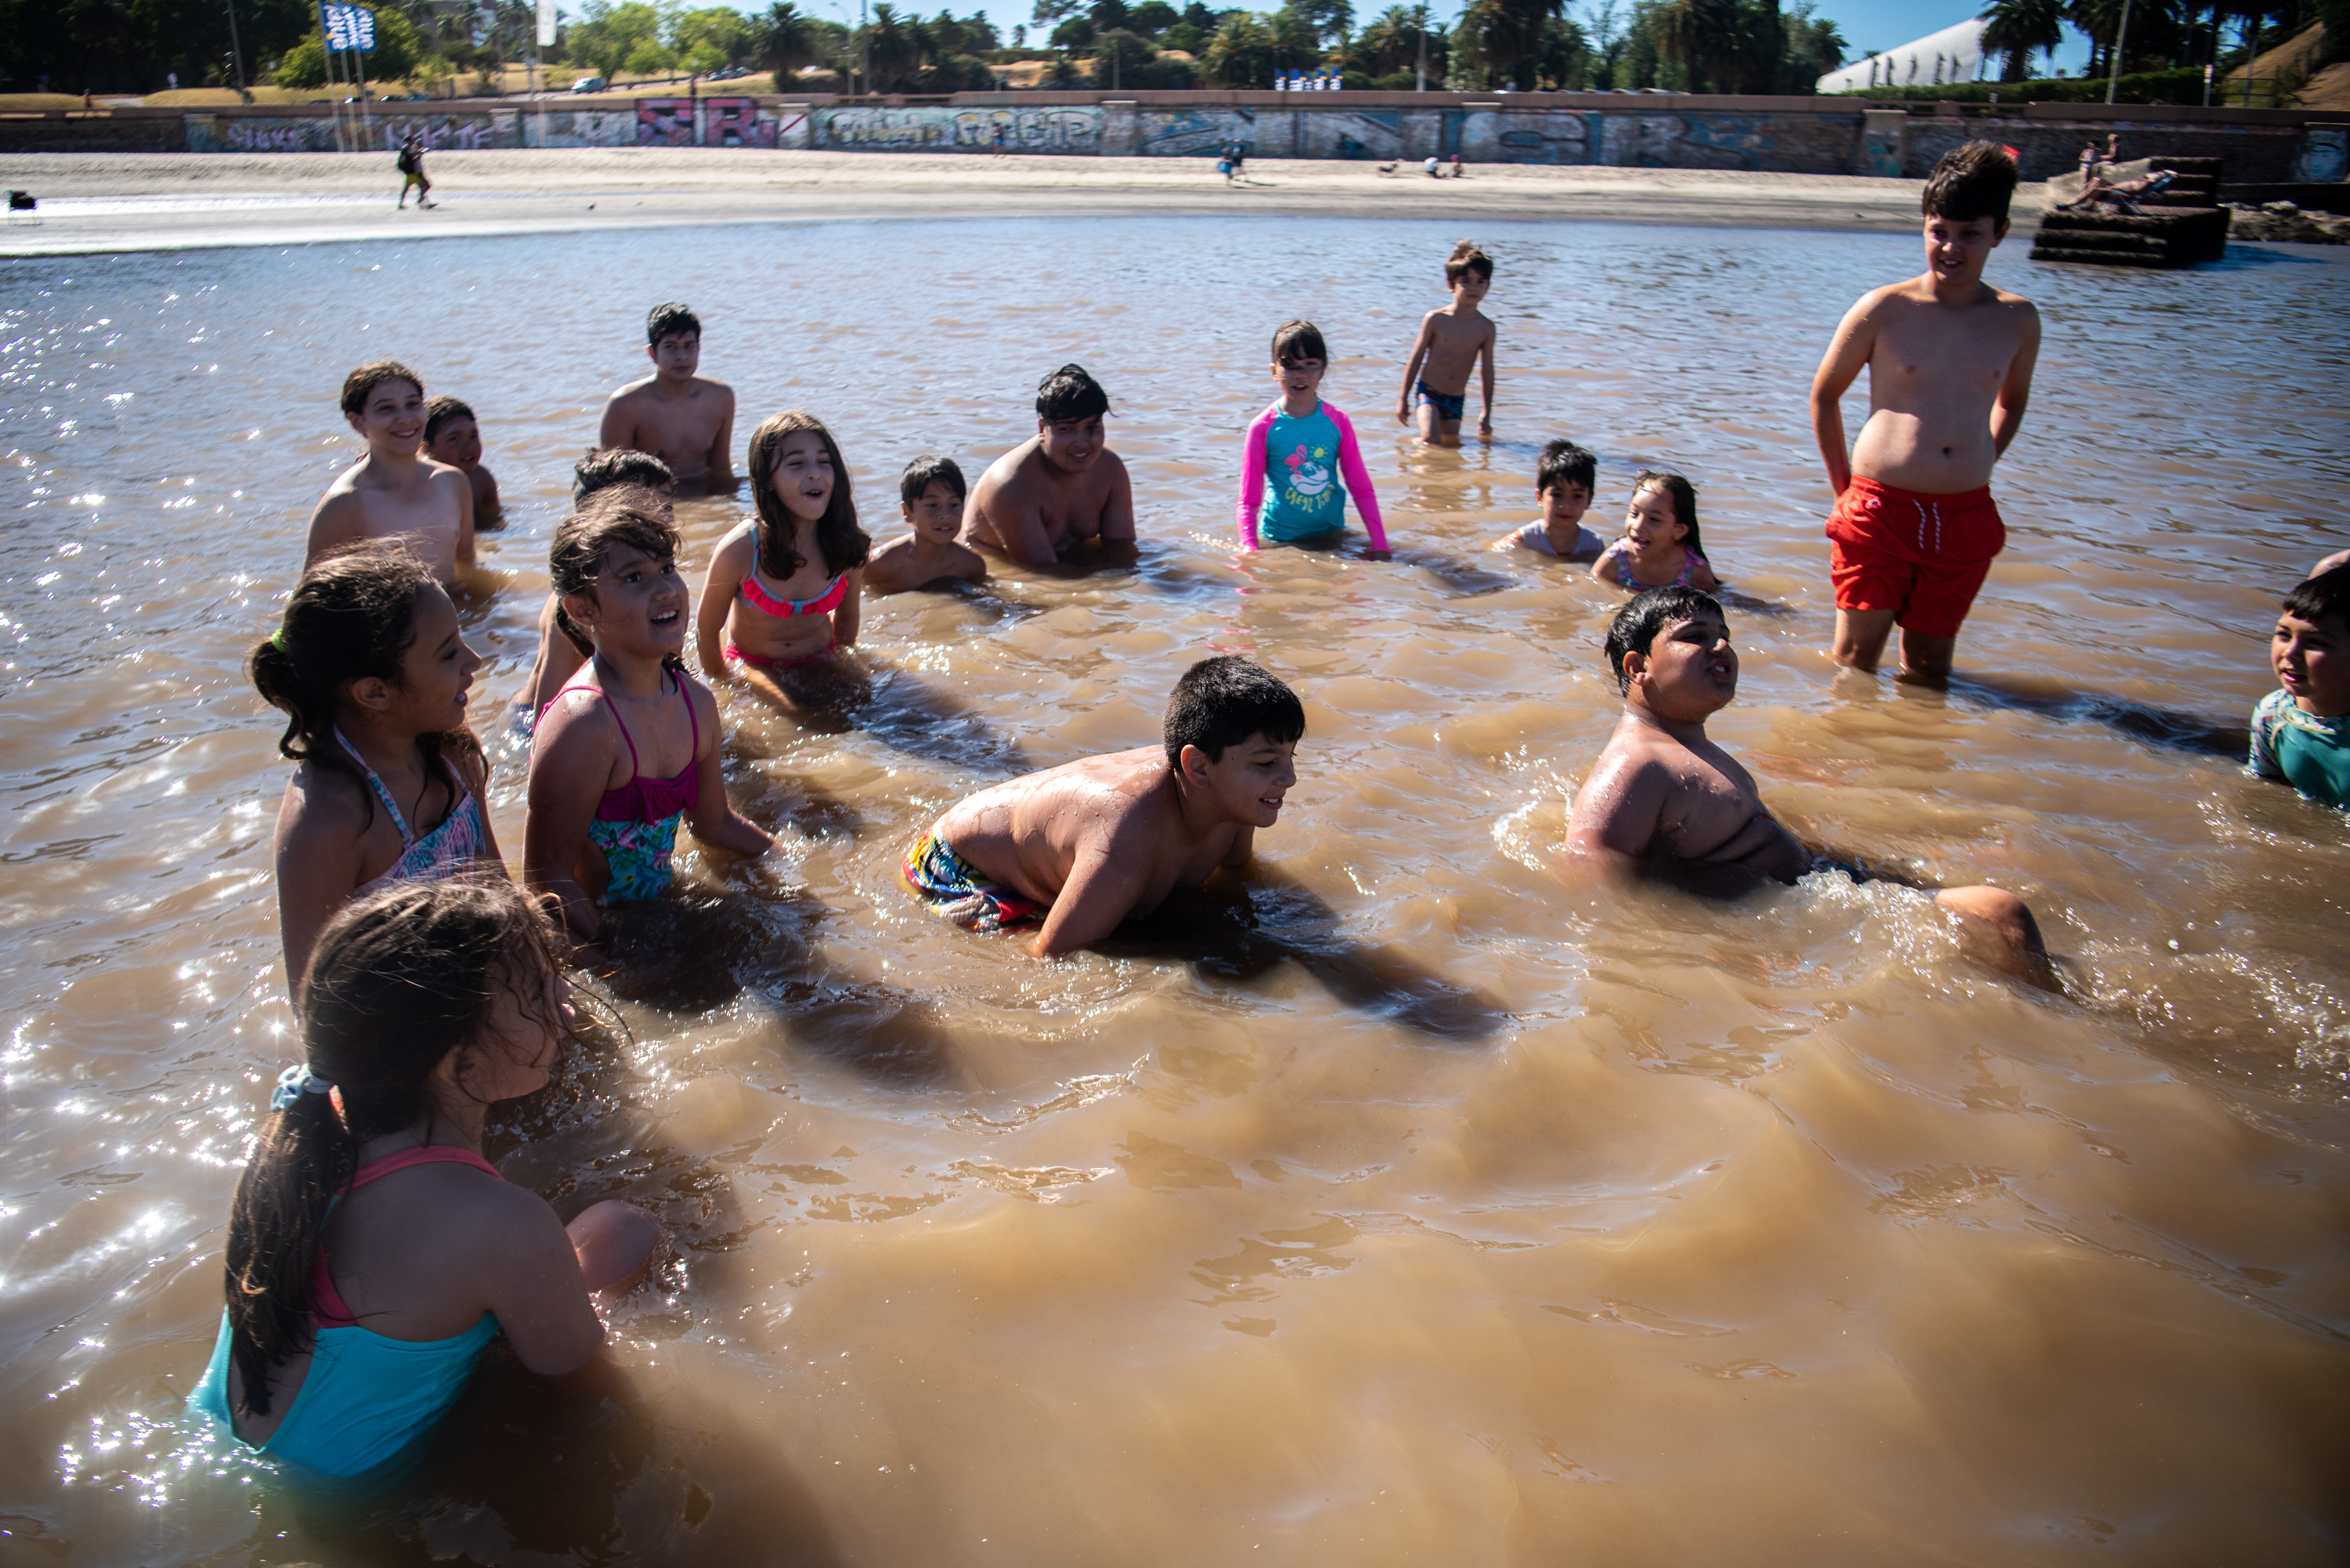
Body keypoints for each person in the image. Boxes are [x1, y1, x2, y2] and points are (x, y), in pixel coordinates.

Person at [188, 879, 660, 1479]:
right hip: (345, 1492)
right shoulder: (504, 1226)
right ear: (462, 1067)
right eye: (540, 996)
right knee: (622, 1232)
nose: (566, 1003)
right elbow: (588, 1387)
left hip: (216, 1432)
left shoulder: (303, 1135)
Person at [1563, 587, 2052, 984]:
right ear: (1638, 667)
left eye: (1724, 635)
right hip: (1794, 910)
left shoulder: (1686, 746)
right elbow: (1597, 895)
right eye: (1696, 636)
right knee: (2001, 911)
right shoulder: (1635, 766)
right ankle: (2062, 1022)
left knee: (2005, 873)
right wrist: (1718, 953)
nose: (1722, 648)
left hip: (1822, 881)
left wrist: (1886, 867)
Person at [1809, 141, 2039, 687]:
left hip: (1965, 515)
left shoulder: (2017, 320)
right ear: (1924, 226)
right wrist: (1844, 489)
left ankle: (1915, 767)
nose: (1951, 247)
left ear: (1999, 233)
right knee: (1856, 662)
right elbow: (1825, 396)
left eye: (1970, 234)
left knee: (1931, 670)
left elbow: (2014, 398)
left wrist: (1983, 457)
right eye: (1939, 231)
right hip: (1878, 508)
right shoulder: (1883, 309)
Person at [906, 656, 1302, 958]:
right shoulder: (1126, 840)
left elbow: (1236, 877)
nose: (1289, 778)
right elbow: (1048, 954)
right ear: (1197, 766)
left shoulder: (1236, 799)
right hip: (953, 867)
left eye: (1291, 757)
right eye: (1268, 763)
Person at [257, 544, 500, 996]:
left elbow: (499, 894)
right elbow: (318, 1008)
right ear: (374, 693)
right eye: (448, 654)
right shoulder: (326, 824)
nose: (473, 662)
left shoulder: (453, 753)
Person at [528, 501, 775, 941]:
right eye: (634, 577)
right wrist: (613, 965)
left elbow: (713, 824)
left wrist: (794, 867)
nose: (664, 589)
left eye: (666, 568)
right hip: (595, 927)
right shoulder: (584, 724)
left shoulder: (695, 703)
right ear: (583, 610)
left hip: (657, 908)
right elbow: (546, 882)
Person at [695, 410, 871, 709]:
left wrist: (844, 669)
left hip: (820, 656)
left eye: (824, 462)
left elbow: (848, 618)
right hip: (755, 664)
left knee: (866, 708)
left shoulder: (847, 545)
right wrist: (723, 685)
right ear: (768, 480)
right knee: (800, 715)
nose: (814, 473)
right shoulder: (740, 549)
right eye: (797, 464)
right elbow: (707, 631)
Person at [514, 450, 678, 726]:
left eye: (667, 506)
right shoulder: (574, 604)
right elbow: (547, 709)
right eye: (649, 508)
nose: (664, 520)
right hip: (534, 720)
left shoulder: (656, 582)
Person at [304, 361, 476, 588]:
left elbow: (467, 566)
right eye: (386, 408)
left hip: (449, 620)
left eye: (413, 404)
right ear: (358, 422)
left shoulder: (453, 483)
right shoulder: (346, 503)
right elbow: (311, 598)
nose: (405, 418)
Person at [1235, 319, 1389, 559]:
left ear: (1323, 370)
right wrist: (1249, 548)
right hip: (1280, 540)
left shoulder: (1338, 422)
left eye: (1310, 365)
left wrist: (1380, 546)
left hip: (1330, 535)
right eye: (1291, 366)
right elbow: (1248, 500)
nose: (1301, 375)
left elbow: (1362, 489)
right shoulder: (1262, 427)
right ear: (1274, 371)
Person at [963, 364, 1137, 568]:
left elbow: (1123, 550)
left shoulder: (1110, 469)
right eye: (1066, 429)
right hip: (1002, 568)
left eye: (1092, 428)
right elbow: (1042, 572)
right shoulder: (1011, 484)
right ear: (1042, 428)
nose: (1081, 442)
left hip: (1071, 560)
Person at [598, 302, 736, 493]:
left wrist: (727, 511)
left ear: (699, 349)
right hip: (653, 502)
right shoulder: (625, 405)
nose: (681, 356)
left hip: (704, 498)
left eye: (689, 346)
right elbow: (614, 485)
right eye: (670, 347)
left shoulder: (720, 397)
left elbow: (720, 471)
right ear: (652, 353)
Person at [2248, 565, 2350, 810]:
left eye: (2315, 642)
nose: (2290, 653)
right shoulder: (2273, 714)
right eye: (2284, 635)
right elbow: (2260, 793)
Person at [1395, 240, 1496, 446]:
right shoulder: (1436, 319)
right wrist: (1403, 398)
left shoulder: (1486, 328)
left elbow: (1487, 372)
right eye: (1466, 281)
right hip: (1429, 392)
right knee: (1432, 439)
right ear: (1451, 285)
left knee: (1450, 446)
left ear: (1488, 286)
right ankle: (1409, 453)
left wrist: (1486, 413)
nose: (1473, 287)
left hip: (1456, 399)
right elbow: (1416, 359)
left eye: (1480, 282)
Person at [864, 455, 988, 594]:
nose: (946, 514)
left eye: (954, 504)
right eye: (933, 505)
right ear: (907, 512)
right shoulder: (880, 564)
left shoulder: (971, 566)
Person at [1590, 470, 1719, 592]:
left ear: (1679, 531)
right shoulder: (1615, 560)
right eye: (1634, 514)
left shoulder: (1693, 569)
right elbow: (1591, 592)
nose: (1638, 526)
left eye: (1654, 519)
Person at [1490, 439, 1607, 560]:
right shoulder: (1523, 541)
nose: (1566, 505)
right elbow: (1495, 558)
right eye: (1557, 494)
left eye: (1577, 496)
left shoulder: (1594, 545)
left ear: (1589, 500)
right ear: (1539, 497)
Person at [424, 395, 501, 523]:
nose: (469, 447)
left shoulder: (481, 479)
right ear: (426, 447)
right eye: (454, 439)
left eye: (473, 436)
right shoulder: (419, 485)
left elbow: (493, 524)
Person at [396, 132, 433, 210]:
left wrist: (419, 153)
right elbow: (411, 156)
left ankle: (403, 203)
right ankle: (422, 203)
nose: (413, 142)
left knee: (421, 187)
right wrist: (420, 152)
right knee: (424, 187)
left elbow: (412, 158)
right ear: (409, 141)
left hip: (411, 172)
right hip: (412, 172)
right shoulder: (407, 148)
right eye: (412, 140)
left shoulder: (406, 148)